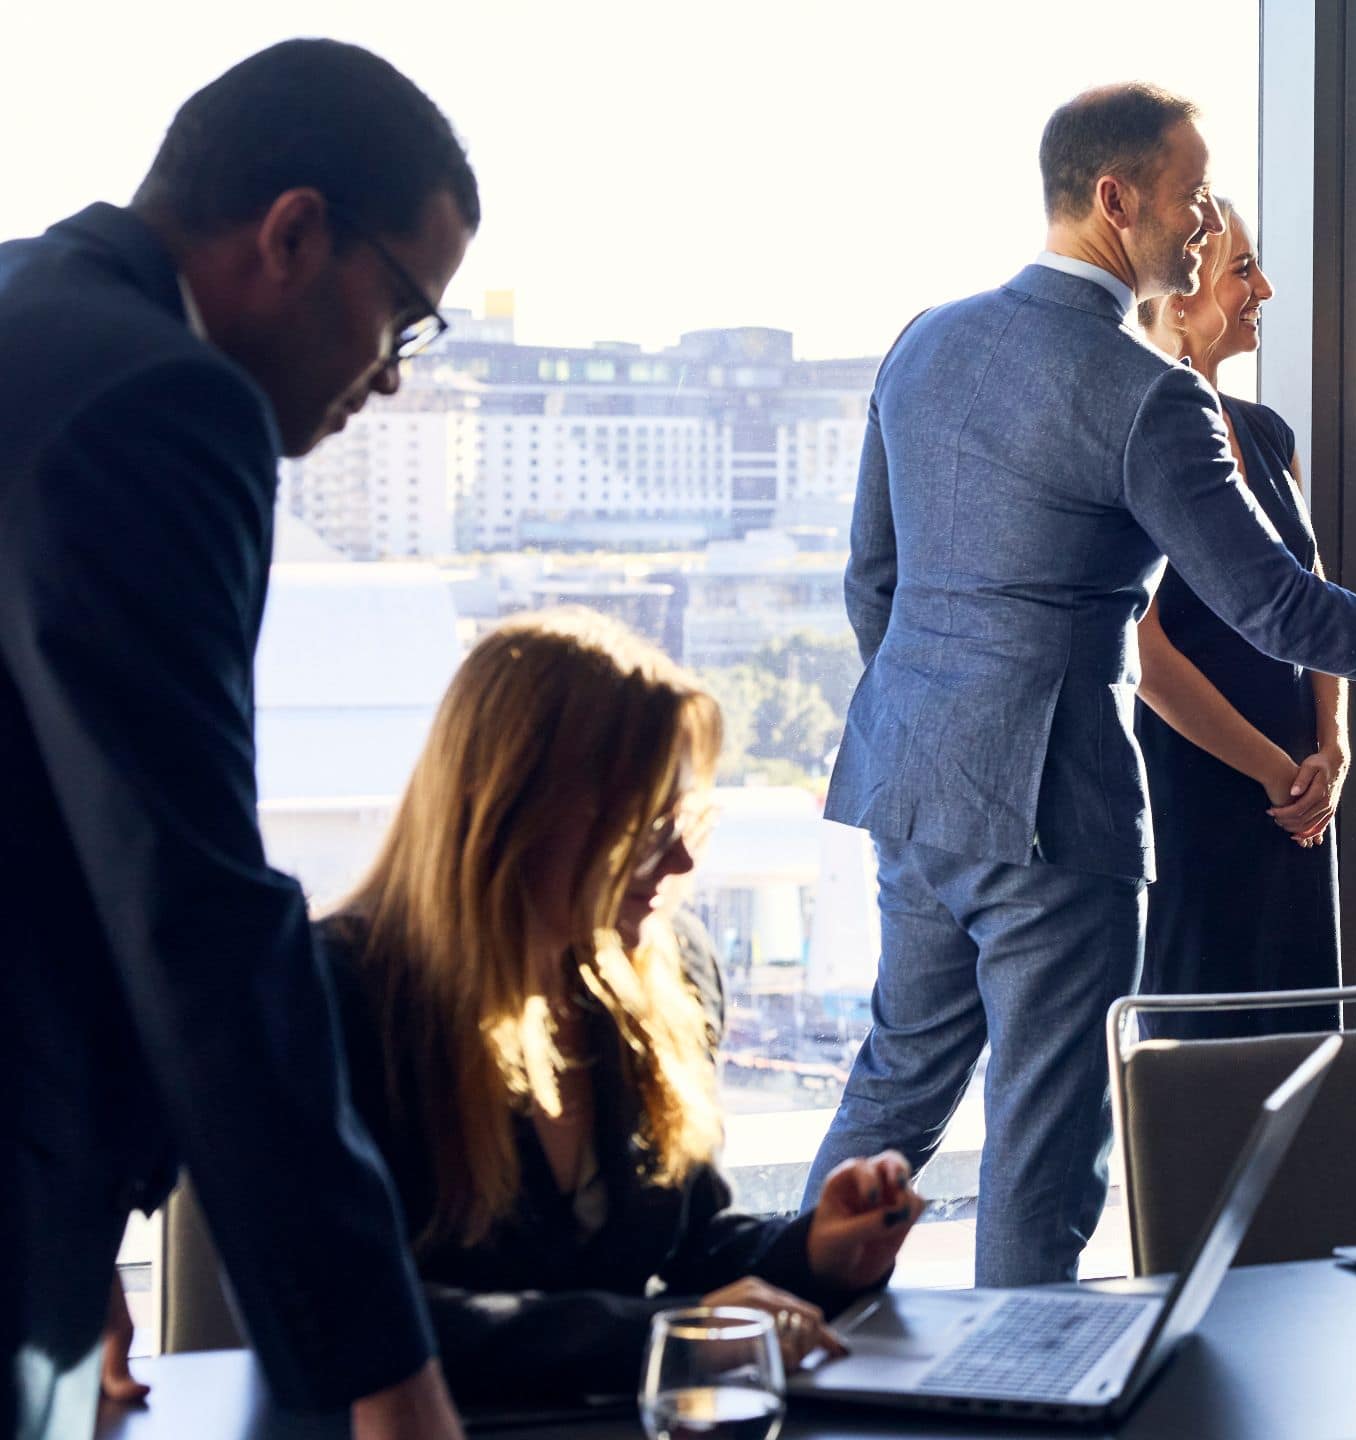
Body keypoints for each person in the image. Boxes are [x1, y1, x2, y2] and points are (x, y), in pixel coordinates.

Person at [805, 83, 1356, 1287]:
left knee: (894, 1091)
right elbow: (1277, 608)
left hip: (908, 782)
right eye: (1195, 198)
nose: (1207, 224)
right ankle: (1025, 1397)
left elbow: (871, 582)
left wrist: (932, 721)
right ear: (1117, 201)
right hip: (1054, 809)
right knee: (1044, 1148)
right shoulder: (1150, 393)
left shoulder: (924, 339)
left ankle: (776, 1337)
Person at [0, 40, 477, 1440]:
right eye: (404, 312)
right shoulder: (163, 401)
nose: (389, 378)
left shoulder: (28, 310)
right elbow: (194, 908)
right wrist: (390, 1381)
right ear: (293, 231)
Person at [317, 610, 921, 1406]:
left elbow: (691, 1244)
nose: (678, 861)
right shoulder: (337, 992)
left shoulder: (661, 972)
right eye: (643, 827)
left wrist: (815, 1253)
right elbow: (359, 1319)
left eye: (686, 823)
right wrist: (671, 1336)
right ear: (508, 806)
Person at [1131, 197, 1346, 1038]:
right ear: (1183, 295)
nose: (1266, 287)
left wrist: (1334, 745)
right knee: (1197, 1049)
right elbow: (1142, 649)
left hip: (1299, 789)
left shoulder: (1268, 433)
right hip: (1198, 786)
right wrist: (1272, 770)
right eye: (1242, 270)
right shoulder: (1141, 431)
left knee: (1303, 1040)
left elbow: (1316, 599)